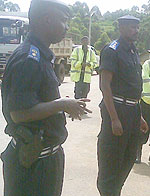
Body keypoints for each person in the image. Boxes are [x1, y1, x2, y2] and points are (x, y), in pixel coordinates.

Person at [0, 0, 92, 195]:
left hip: (44, 158)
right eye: (64, 21)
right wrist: (62, 104)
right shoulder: (29, 58)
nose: (67, 27)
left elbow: (36, 99)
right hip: (33, 164)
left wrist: (61, 104)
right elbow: (19, 113)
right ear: (47, 20)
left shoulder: (40, 55)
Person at [97, 15, 148, 196]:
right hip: (117, 109)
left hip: (133, 110)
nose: (136, 30)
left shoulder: (133, 50)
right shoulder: (112, 50)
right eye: (132, 27)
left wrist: (139, 116)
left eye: (137, 27)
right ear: (121, 28)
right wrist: (114, 118)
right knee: (112, 159)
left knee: (128, 157)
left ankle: (114, 191)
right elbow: (105, 85)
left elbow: (132, 87)